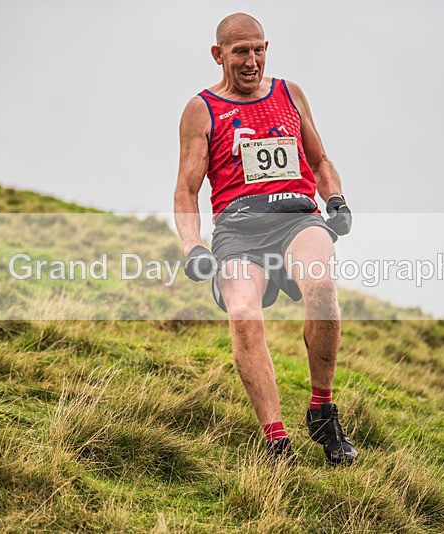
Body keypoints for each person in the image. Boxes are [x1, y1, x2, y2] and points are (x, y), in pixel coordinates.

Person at [173, 13, 357, 464]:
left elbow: (321, 160)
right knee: (242, 312)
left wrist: (335, 200)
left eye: (258, 49)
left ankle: (322, 410)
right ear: (219, 55)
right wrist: (193, 245)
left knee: (322, 287)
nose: (251, 60)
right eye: (240, 51)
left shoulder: (290, 94)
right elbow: (186, 189)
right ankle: (276, 441)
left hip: (296, 218)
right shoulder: (202, 109)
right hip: (238, 231)